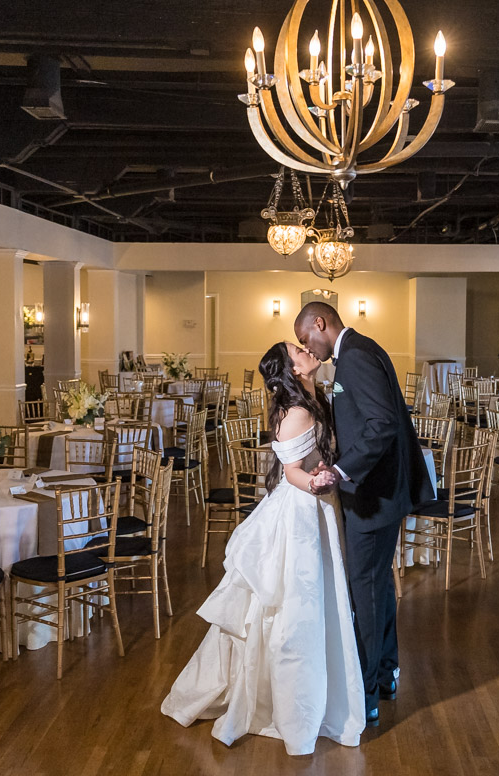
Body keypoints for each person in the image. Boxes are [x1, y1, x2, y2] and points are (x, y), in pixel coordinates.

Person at [161, 342, 365, 756]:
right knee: (293, 609)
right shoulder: (296, 411)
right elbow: (291, 471)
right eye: (298, 348)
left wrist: (326, 470)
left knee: (319, 601)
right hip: (301, 515)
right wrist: (315, 482)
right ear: (292, 368)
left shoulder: (316, 395)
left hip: (320, 508)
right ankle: (289, 705)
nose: (307, 348)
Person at [294, 301, 435, 728]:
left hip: (372, 496)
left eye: (306, 339)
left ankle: (367, 693)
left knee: (366, 593)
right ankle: (387, 673)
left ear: (320, 323)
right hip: (378, 493)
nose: (308, 347)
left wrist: (340, 470)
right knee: (376, 589)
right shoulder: (358, 350)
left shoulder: (354, 356)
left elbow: (381, 423)